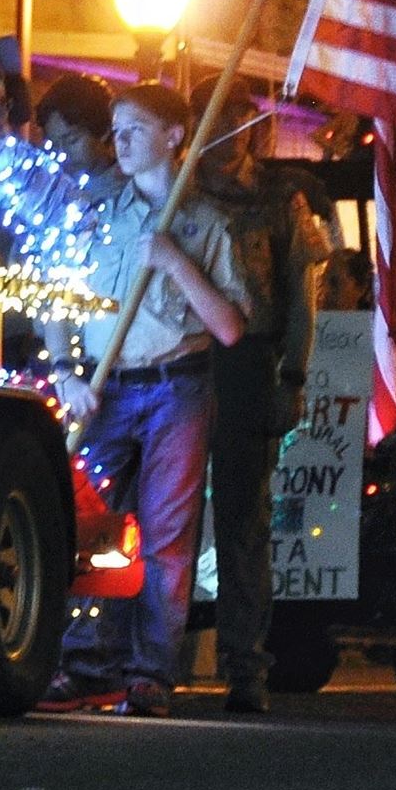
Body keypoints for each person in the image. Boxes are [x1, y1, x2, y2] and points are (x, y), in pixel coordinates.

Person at [39, 82, 252, 717]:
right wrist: (63, 372)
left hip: (177, 388)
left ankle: (151, 672)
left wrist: (176, 263)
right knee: (95, 528)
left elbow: (231, 326)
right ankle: (85, 663)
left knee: (165, 535)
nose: (122, 141)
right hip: (107, 388)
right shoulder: (99, 212)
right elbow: (60, 299)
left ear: (174, 137)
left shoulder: (207, 223)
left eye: (135, 128)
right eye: (117, 128)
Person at [190, 77, 329, 714]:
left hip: (249, 363)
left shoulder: (281, 200)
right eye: (219, 117)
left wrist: (292, 378)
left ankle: (246, 664)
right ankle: (143, 657)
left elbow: (303, 301)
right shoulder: (176, 194)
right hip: (180, 362)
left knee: (243, 524)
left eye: (243, 119)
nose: (232, 131)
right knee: (161, 515)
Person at [38, 72, 115, 197]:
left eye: (72, 140)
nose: (61, 153)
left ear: (104, 131)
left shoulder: (131, 195)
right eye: (54, 145)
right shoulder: (50, 190)